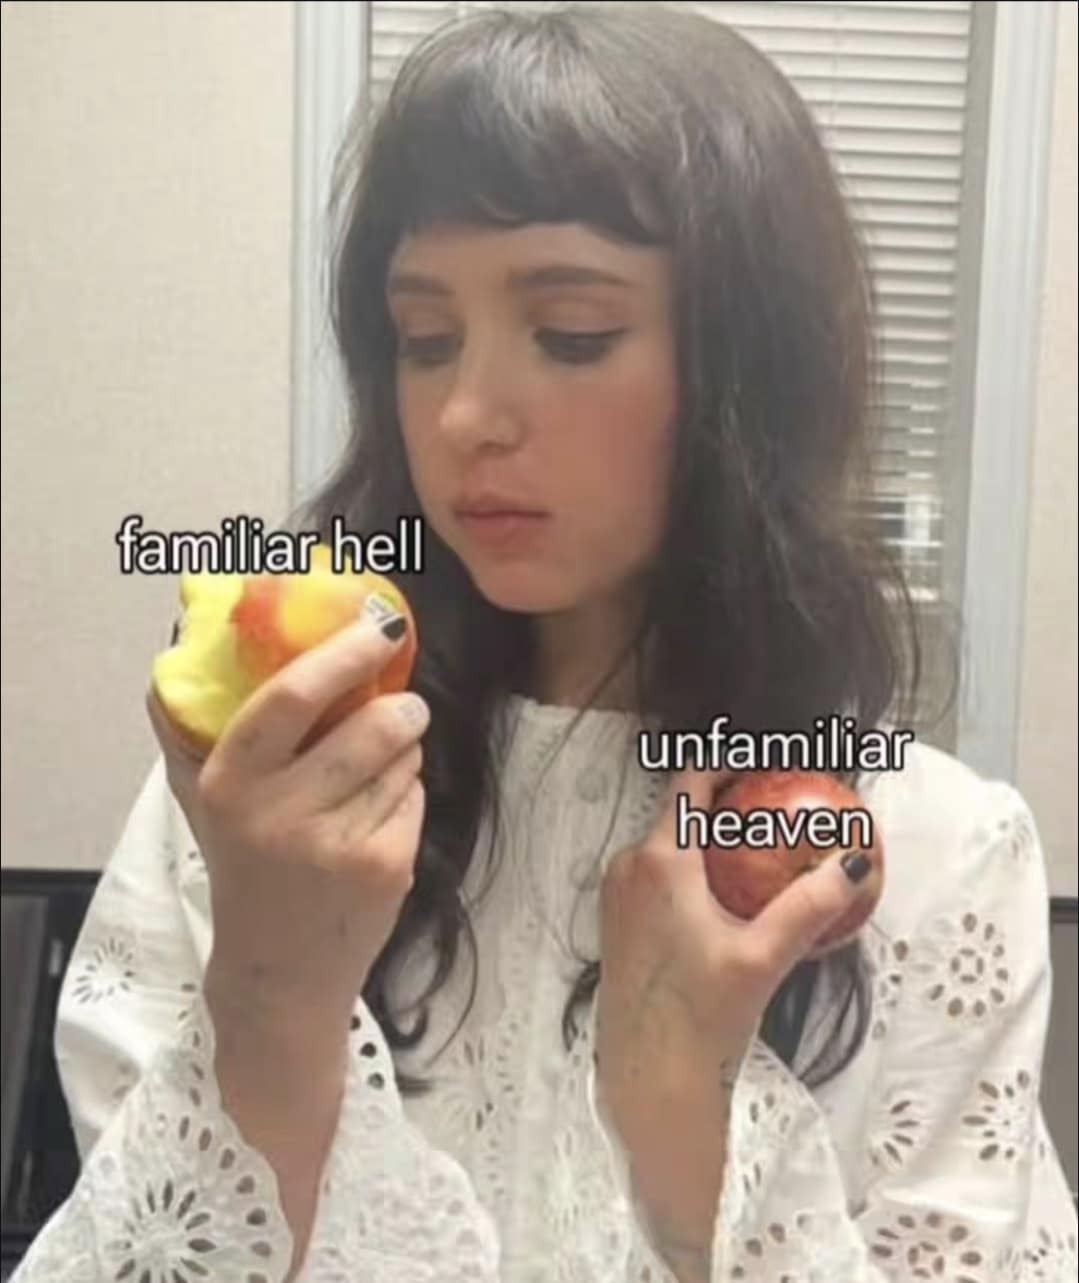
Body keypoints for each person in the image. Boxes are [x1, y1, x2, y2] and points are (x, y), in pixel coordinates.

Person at [12, 5, 1077, 1281]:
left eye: (571, 335)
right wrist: (273, 1000)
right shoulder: (274, 787)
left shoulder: (930, 853)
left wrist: (693, 1162)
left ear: (746, 371)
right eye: (423, 339)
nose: (463, 413)